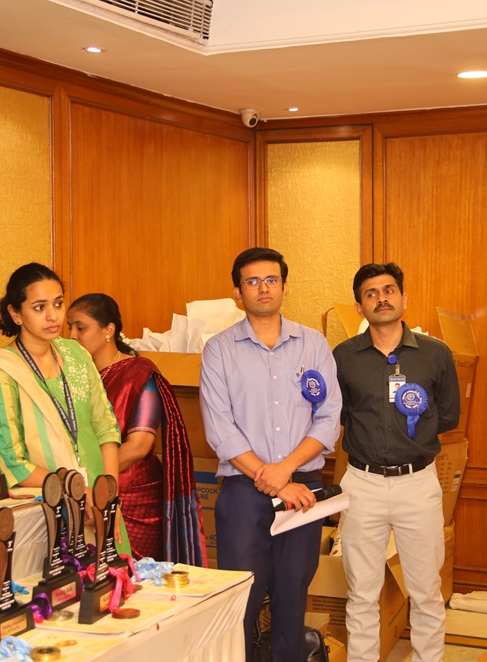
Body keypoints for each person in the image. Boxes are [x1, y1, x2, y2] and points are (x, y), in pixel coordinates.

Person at [199, 247, 341, 662]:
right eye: (252, 281)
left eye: (271, 280)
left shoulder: (313, 344)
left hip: (303, 491)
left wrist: (286, 471)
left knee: (292, 597)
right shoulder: (219, 349)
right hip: (243, 492)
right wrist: (271, 477)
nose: (263, 288)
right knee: (240, 599)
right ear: (237, 292)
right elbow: (220, 428)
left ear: (284, 286)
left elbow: (329, 418)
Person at [333, 262, 460, 662]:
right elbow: (340, 414)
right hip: (362, 484)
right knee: (361, 593)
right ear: (359, 307)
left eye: (389, 290)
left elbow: (448, 416)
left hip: (417, 483)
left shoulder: (435, 354)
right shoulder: (343, 357)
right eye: (371, 293)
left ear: (404, 298)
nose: (382, 299)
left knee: (426, 592)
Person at [0, 263, 129, 554]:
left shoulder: (76, 353)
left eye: (58, 304)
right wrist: (75, 489)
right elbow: (11, 461)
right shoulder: (3, 372)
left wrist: (109, 494)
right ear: (15, 314)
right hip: (51, 508)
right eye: (39, 307)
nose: (53, 316)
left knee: (115, 578)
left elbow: (105, 426)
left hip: (99, 502)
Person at [67, 293, 206, 565]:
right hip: (84, 490)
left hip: (132, 494)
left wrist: (92, 476)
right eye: (69, 327)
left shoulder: (138, 373)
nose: (72, 336)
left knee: (132, 576)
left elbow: (139, 446)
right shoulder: (73, 378)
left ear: (108, 330)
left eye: (80, 328)